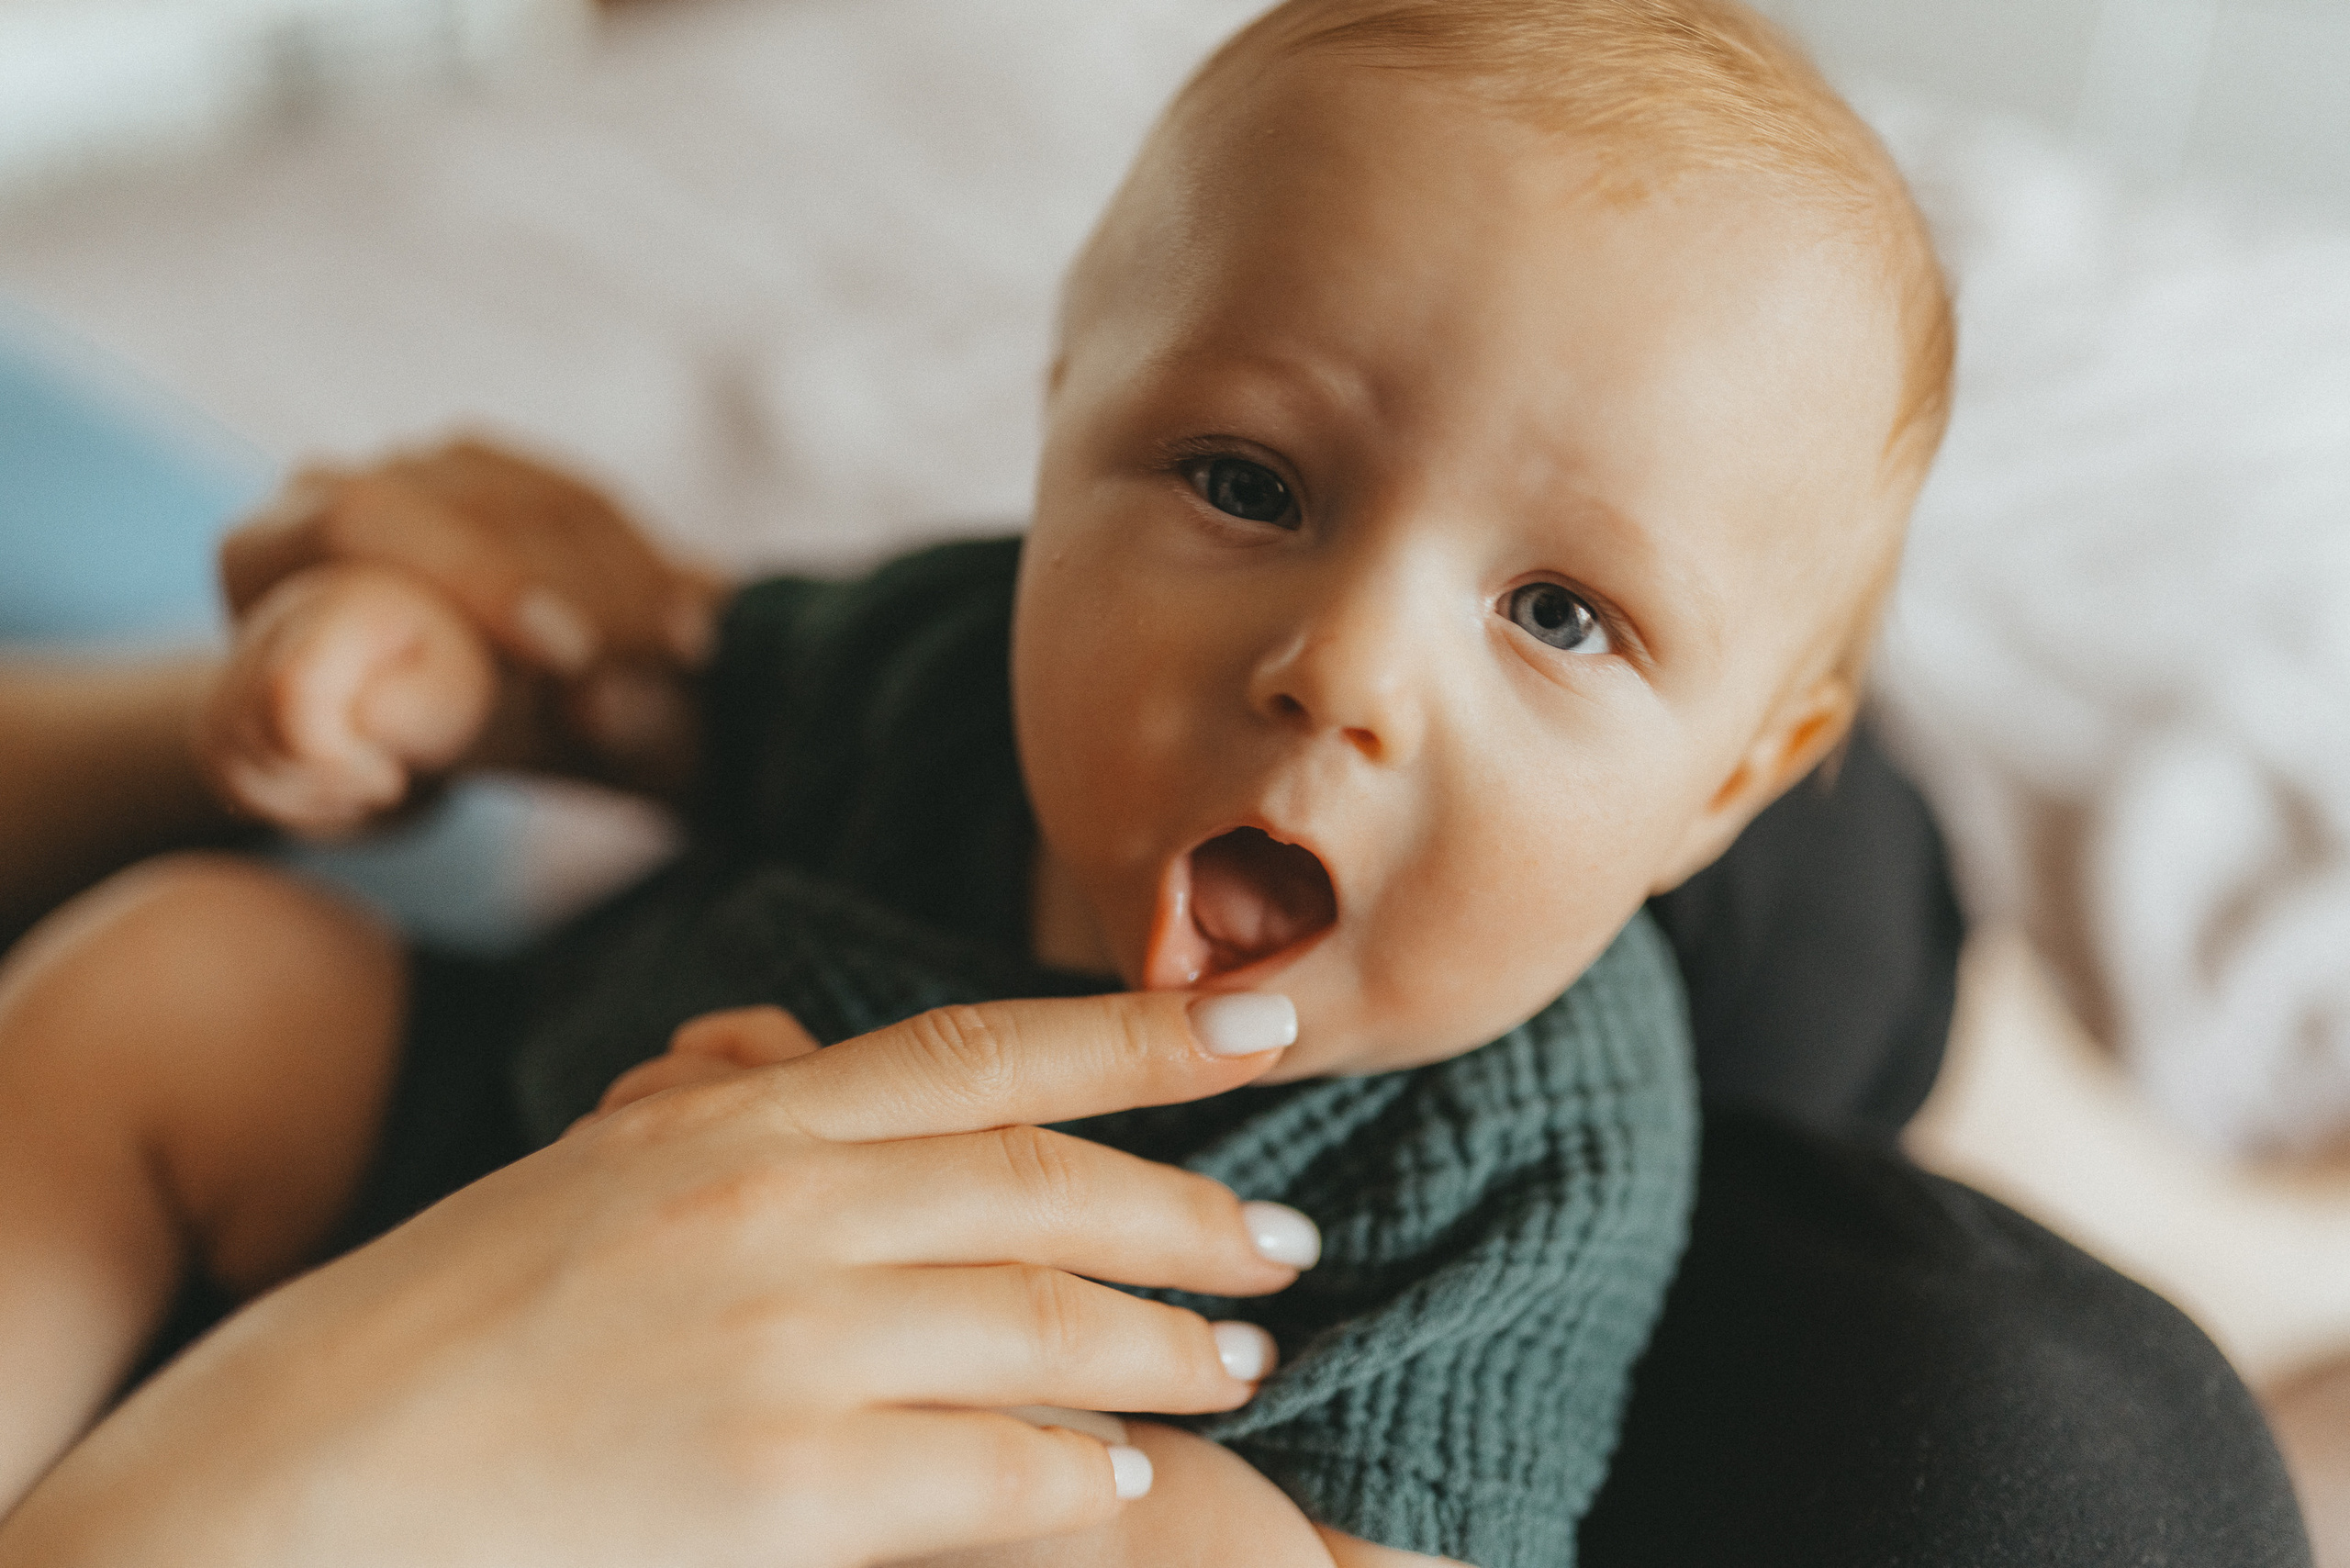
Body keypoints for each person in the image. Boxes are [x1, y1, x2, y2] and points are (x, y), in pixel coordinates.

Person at [0, 2, 2311, 1564]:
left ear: (1735, 782)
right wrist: (484, 696)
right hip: (479, 1185)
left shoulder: (1527, 1132)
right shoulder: (949, 659)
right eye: (1238, 476)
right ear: (1051, 427)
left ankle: (2253, 1250)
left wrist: (1102, 1504)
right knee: (203, 962)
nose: (1337, 669)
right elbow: (676, 696)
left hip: (977, 1452)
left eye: (1561, 613)